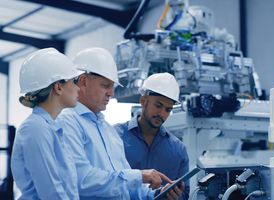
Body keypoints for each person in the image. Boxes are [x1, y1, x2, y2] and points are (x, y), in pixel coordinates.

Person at [57, 47, 183, 200]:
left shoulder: (108, 130)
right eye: (105, 85)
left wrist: (158, 193)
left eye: (112, 86)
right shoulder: (67, 122)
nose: (111, 93)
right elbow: (81, 180)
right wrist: (139, 176)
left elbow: (125, 186)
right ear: (83, 81)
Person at [11, 48, 82, 199]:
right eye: (74, 81)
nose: (78, 88)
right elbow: (51, 192)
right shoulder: (35, 128)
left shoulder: (49, 127)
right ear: (58, 87)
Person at [114, 73, 190, 200]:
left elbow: (185, 194)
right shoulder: (115, 136)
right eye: (158, 106)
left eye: (168, 109)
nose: (162, 114)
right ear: (143, 101)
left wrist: (176, 196)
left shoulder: (178, 150)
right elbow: (108, 181)